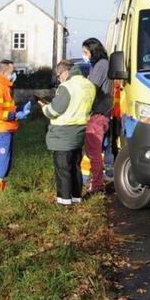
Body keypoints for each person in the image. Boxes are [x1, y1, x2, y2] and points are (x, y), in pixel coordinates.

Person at [40, 60, 96, 205]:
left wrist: (44, 107)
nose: (59, 79)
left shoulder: (67, 87)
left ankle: (64, 201)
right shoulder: (88, 84)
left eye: (58, 76)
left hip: (63, 134)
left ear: (64, 72)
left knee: (63, 169)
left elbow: (54, 111)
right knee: (75, 167)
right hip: (79, 131)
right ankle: (77, 198)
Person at [0, 60, 30, 192]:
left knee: (7, 162)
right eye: (12, 72)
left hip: (5, 128)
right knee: (3, 162)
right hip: (1, 129)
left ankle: (0, 192)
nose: (14, 74)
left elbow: (6, 108)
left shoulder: (4, 86)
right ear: (4, 72)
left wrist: (19, 109)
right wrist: (15, 115)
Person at [82, 38, 114, 194]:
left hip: (97, 112)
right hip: (103, 111)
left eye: (86, 52)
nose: (85, 56)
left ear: (93, 51)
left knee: (93, 151)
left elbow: (91, 88)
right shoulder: (102, 64)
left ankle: (97, 185)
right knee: (97, 151)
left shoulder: (101, 65)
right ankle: (97, 180)